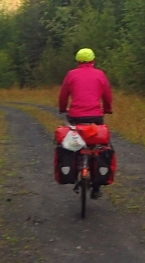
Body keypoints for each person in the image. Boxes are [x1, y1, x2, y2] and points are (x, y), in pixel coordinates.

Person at [58, 47, 113, 199]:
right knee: (100, 146)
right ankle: (97, 186)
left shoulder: (71, 74)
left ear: (77, 62)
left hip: (75, 116)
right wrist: (107, 109)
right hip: (95, 117)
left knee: (73, 143)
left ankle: (75, 169)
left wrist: (63, 108)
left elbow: (63, 95)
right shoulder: (100, 74)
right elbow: (107, 95)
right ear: (93, 61)